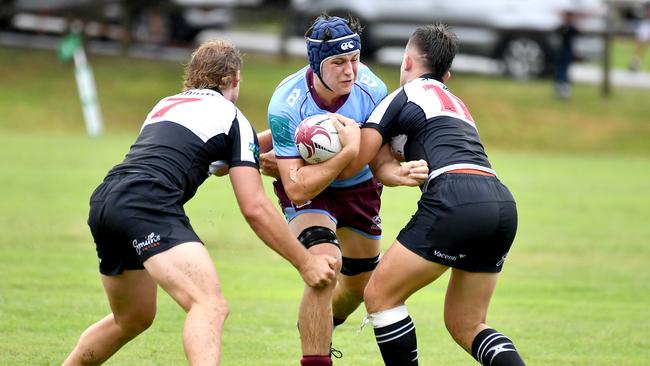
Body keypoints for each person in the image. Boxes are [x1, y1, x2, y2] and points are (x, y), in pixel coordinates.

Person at [62, 39, 338, 366]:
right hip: (147, 204)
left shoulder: (165, 105)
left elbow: (211, 159)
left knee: (133, 318)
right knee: (209, 304)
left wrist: (277, 140)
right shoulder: (232, 117)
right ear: (234, 80)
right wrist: (306, 263)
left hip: (107, 201)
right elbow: (254, 207)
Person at [339, 24, 526, 365]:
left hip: (455, 197)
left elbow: (355, 163)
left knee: (380, 295)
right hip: (500, 203)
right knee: (467, 325)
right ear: (447, 75)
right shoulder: (457, 105)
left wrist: (343, 137)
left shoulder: (402, 96)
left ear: (407, 61)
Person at [260, 14, 394, 366]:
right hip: (311, 193)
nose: (350, 71)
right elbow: (296, 186)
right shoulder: (287, 103)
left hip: (360, 189)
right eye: (338, 62)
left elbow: (375, 155)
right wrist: (348, 150)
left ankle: (315, 322)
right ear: (317, 64)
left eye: (354, 59)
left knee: (358, 289)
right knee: (324, 266)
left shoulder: (373, 89)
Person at [554, 9, 579, 99]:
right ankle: (559, 88)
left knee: (565, 70)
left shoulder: (572, 29)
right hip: (560, 51)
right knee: (559, 70)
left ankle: (564, 89)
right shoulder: (561, 28)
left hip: (567, 51)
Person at [629, 2, 650, 72]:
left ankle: (635, 63)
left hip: (646, 25)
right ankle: (634, 64)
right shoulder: (646, 5)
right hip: (646, 26)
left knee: (642, 48)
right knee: (639, 47)